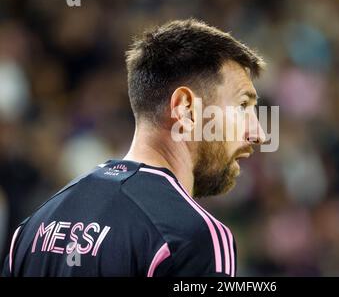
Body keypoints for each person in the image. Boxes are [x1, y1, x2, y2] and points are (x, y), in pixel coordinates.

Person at [2, 19, 266, 277]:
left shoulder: (35, 226)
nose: (259, 133)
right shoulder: (192, 237)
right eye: (242, 106)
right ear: (185, 108)